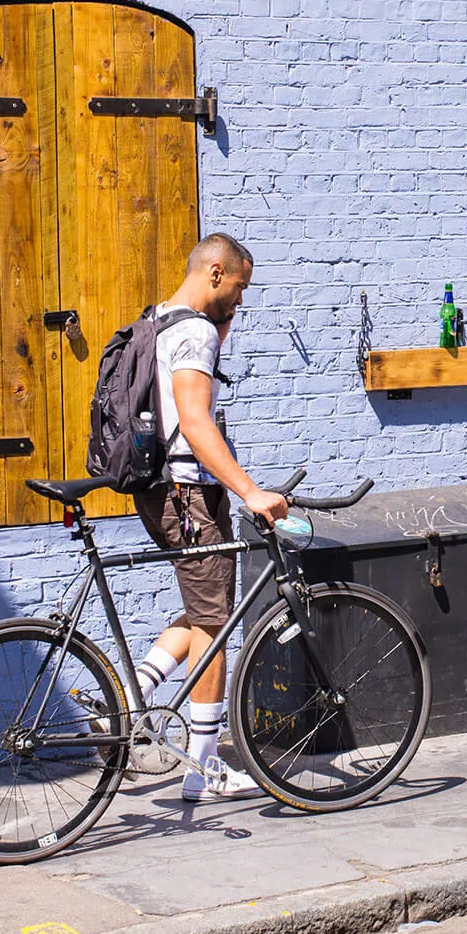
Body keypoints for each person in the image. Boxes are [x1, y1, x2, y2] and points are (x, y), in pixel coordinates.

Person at [130, 233, 289, 803]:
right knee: (215, 627)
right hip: (187, 494)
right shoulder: (195, 331)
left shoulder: (161, 319)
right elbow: (196, 421)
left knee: (204, 609)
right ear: (216, 272)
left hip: (158, 490)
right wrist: (248, 491)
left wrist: (219, 329)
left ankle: (133, 695)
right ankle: (201, 772)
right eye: (239, 289)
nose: (241, 303)